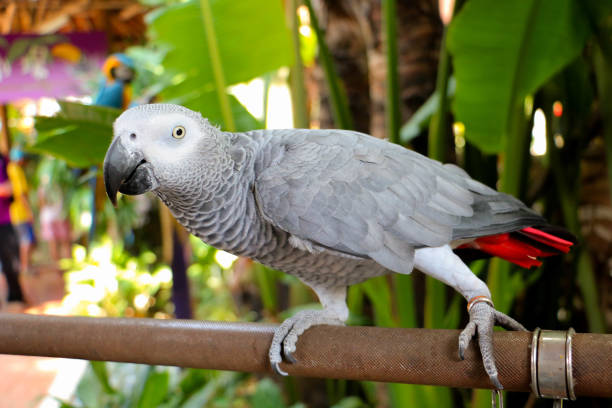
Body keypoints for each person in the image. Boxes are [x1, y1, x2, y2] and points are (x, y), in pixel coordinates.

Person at [0, 152, 24, 303]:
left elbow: (10, 187)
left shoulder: (3, 159)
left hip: (5, 219)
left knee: (11, 261)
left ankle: (16, 295)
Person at [7, 148, 35, 275]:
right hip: (20, 212)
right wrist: (29, 212)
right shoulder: (16, 170)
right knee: (26, 240)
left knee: (23, 240)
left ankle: (25, 266)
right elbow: (21, 194)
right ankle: (25, 267)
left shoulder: (10, 168)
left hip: (14, 212)